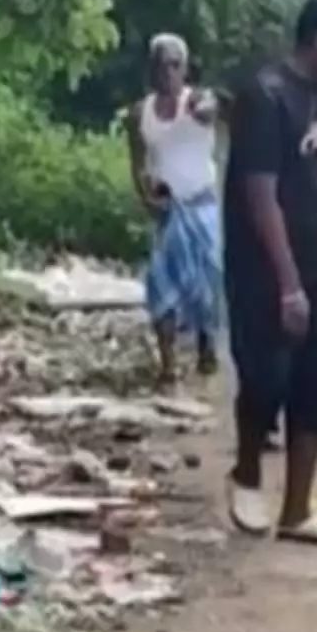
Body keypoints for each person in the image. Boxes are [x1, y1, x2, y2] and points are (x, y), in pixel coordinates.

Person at [221, 0, 317, 545]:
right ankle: (247, 471)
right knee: (266, 378)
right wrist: (288, 285)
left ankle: (297, 511)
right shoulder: (266, 97)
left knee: (314, 385)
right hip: (265, 270)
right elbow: (261, 197)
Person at [127, 33, 223, 388]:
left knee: (207, 284)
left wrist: (203, 109)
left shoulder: (196, 100)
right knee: (160, 283)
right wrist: (146, 199)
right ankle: (168, 364)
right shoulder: (141, 114)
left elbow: (210, 111)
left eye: (174, 65)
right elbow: (138, 164)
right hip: (167, 211)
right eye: (160, 65)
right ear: (150, 69)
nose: (167, 72)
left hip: (202, 207)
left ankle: (206, 345)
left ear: (185, 68)